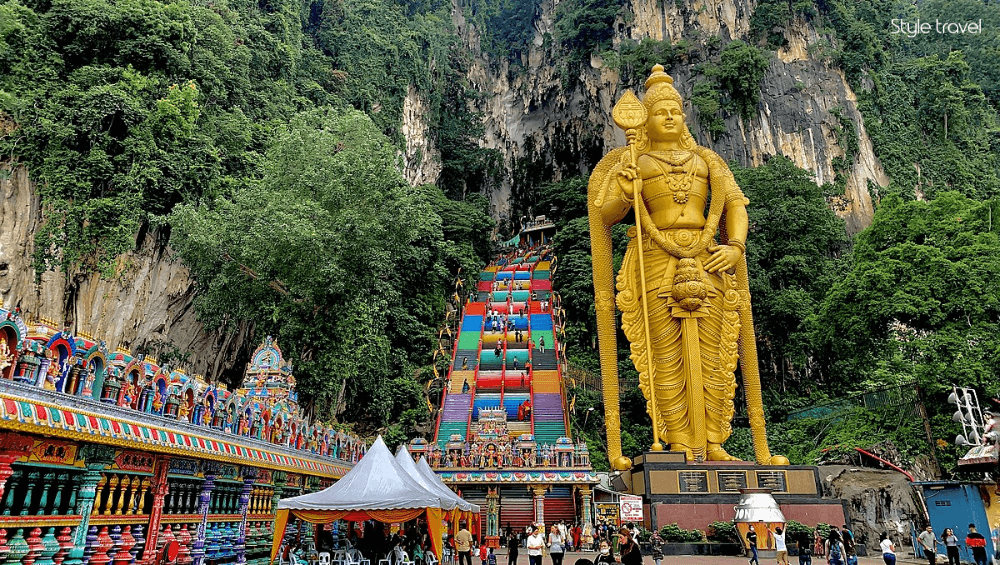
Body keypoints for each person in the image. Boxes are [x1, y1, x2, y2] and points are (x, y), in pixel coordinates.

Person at [588, 64, 787, 466]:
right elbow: (604, 215)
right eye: (660, 111)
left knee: (717, 352)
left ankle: (714, 441)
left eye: (676, 111)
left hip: (708, 256)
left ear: (684, 116)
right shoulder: (635, 161)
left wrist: (736, 246)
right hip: (655, 258)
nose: (669, 117)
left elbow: (735, 204)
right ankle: (679, 440)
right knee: (663, 354)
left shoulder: (707, 160)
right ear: (646, 118)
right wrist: (626, 191)